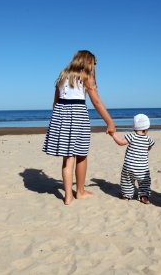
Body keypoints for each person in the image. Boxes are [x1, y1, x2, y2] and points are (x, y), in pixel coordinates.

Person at [43, 50, 116, 205]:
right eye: (93, 64)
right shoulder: (86, 77)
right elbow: (96, 102)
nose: (94, 67)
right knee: (81, 154)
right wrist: (109, 122)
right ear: (86, 62)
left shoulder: (63, 75)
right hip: (77, 116)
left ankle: (68, 196)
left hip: (61, 116)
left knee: (68, 158)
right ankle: (80, 192)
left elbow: (55, 101)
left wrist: (58, 119)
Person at [111, 114, 155, 204]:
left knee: (126, 181)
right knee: (144, 183)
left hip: (129, 166)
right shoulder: (148, 139)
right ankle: (144, 197)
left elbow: (120, 142)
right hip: (143, 168)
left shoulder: (131, 136)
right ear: (147, 128)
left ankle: (127, 196)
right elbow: (149, 148)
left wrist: (113, 134)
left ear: (134, 128)